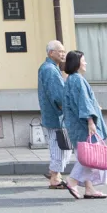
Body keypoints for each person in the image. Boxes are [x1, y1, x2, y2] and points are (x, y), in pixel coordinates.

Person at [63, 50, 107, 199]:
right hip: (83, 124)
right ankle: (72, 180)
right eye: (83, 60)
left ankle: (89, 189)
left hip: (76, 124)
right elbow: (83, 102)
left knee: (87, 154)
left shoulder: (72, 79)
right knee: (90, 156)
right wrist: (90, 121)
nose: (86, 63)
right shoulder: (77, 80)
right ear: (77, 63)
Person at [37, 40, 69, 188]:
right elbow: (58, 95)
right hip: (57, 116)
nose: (63, 54)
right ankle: (55, 178)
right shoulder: (50, 69)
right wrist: (67, 110)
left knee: (58, 145)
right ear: (51, 53)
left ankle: (53, 172)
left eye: (63, 51)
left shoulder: (48, 67)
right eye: (60, 51)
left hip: (52, 114)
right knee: (60, 146)